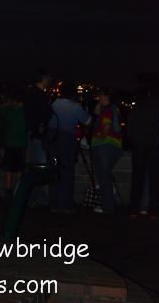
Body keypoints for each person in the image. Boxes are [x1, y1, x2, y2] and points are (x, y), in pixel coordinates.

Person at [44, 82, 91, 213]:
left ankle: (54, 204)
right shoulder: (75, 107)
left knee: (54, 171)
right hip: (67, 140)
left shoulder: (52, 103)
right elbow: (88, 121)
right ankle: (66, 205)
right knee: (67, 172)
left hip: (51, 139)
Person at [126, 85, 159, 217]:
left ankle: (134, 208)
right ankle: (153, 209)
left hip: (140, 145)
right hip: (155, 146)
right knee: (155, 179)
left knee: (137, 178)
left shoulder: (139, 105)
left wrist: (135, 139)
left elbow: (130, 126)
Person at [91, 87, 123, 214]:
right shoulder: (114, 109)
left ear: (106, 96)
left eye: (101, 95)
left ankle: (108, 206)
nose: (99, 96)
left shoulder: (108, 110)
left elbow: (107, 125)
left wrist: (101, 138)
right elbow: (96, 112)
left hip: (105, 146)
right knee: (105, 176)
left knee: (103, 177)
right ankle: (107, 204)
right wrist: (100, 102)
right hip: (115, 146)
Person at [24, 69, 51, 206]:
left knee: (36, 164)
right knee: (39, 165)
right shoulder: (41, 96)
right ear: (44, 79)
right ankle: (33, 197)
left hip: (32, 133)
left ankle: (38, 196)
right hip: (38, 134)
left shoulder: (30, 93)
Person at [0, 89, 28, 197]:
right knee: (20, 168)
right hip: (21, 143)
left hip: (10, 142)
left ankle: (8, 190)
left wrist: (7, 103)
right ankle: (18, 190)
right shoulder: (25, 111)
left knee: (9, 168)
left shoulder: (10, 110)